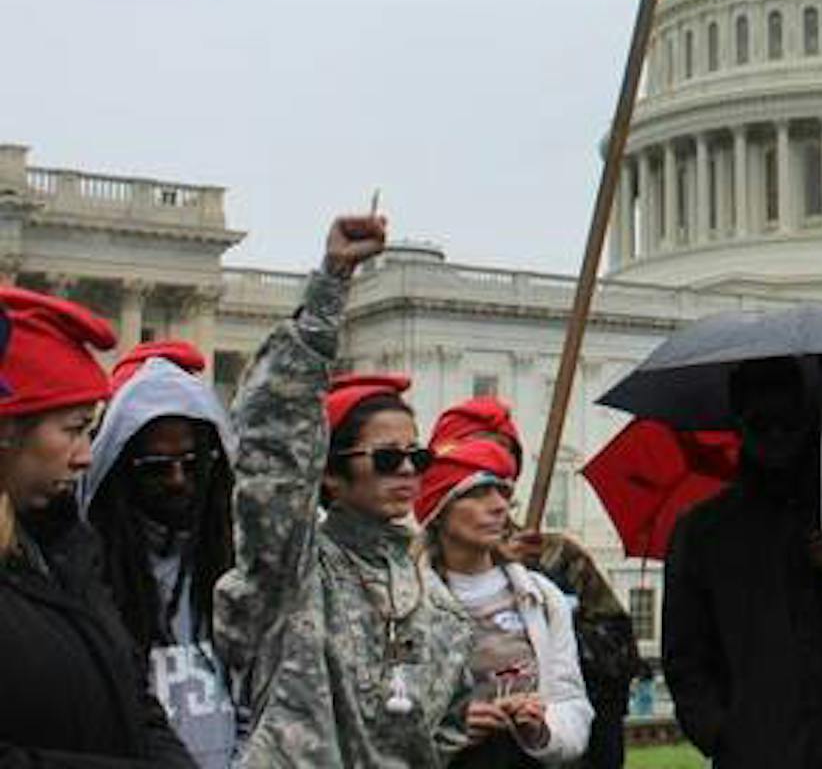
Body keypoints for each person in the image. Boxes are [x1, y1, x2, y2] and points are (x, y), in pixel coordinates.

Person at [214, 213, 475, 767]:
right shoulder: (295, 571)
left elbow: (448, 732)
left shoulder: (443, 608)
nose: (407, 471)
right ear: (329, 473)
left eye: (417, 457)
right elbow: (274, 446)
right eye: (385, 458)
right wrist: (330, 285)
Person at [662, 356, 822, 767]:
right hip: (754, 749)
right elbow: (684, 656)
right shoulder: (703, 531)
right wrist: (721, 732)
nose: (775, 437)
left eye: (787, 423)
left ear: (806, 422)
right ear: (739, 426)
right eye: (761, 424)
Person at [0, 285, 194, 766]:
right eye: (72, 429)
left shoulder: (71, 547)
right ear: (7, 430)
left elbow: (134, 698)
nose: (87, 455)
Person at [428, 398, 645, 769]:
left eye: (502, 471)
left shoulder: (557, 559)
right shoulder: (408, 586)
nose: (496, 500)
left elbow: (616, 657)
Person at [82, 342, 241, 768]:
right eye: (156, 466)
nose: (177, 480)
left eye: (193, 463)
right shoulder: (90, 570)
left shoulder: (232, 563)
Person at [418, 437, 592, 767]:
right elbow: (385, 718)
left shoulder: (541, 597)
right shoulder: (406, 602)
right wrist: (451, 728)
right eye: (479, 494)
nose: (499, 506)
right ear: (439, 511)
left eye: (503, 493)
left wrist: (541, 730)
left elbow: (571, 702)